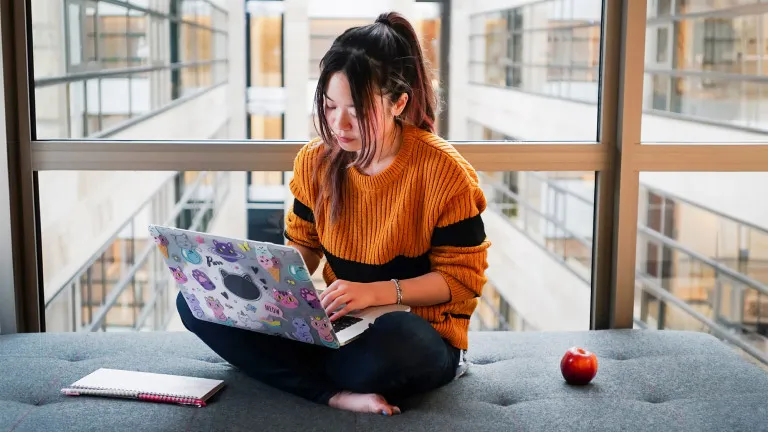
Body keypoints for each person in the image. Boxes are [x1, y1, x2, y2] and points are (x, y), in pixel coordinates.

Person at [176, 11, 490, 416]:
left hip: (417, 331)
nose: (339, 125)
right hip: (337, 324)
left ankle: (307, 377)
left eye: (356, 110)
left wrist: (377, 292)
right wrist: (270, 284)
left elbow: (461, 280)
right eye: (329, 106)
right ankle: (334, 393)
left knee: (394, 341)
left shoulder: (444, 172)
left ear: (398, 102)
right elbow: (303, 246)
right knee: (199, 300)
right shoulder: (316, 162)